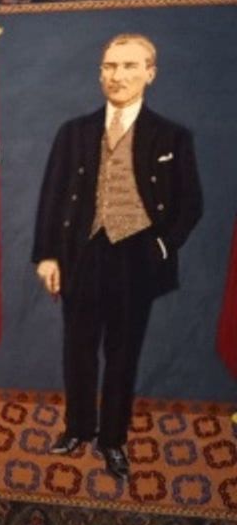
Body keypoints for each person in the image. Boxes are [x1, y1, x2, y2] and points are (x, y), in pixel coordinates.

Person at [32, 33, 202, 479]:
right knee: (78, 347)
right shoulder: (74, 133)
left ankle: (112, 440)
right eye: (110, 66)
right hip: (80, 253)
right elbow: (51, 197)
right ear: (100, 73)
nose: (118, 75)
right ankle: (77, 428)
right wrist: (47, 256)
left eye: (129, 66)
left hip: (137, 257)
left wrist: (162, 245)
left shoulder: (171, 136)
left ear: (150, 73)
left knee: (123, 353)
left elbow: (191, 203)